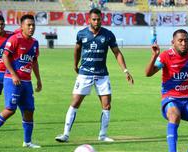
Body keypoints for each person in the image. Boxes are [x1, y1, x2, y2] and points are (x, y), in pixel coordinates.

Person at [55, 8, 134, 143]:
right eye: (94, 19)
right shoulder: (81, 34)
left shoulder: (108, 35)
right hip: (85, 74)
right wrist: (75, 64)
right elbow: (77, 50)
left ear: (101, 19)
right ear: (89, 19)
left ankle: (103, 135)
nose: (96, 22)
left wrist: (125, 70)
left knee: (107, 105)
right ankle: (65, 134)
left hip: (102, 75)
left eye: (98, 19)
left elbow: (117, 53)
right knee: (75, 103)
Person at [0, 14, 42, 148]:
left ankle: (27, 142)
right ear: (21, 26)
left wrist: (39, 79)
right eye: (28, 25)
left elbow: (34, 62)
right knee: (10, 109)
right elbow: (5, 57)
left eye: (33, 25)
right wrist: (13, 74)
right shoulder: (15, 39)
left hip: (27, 82)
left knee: (29, 110)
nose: (31, 27)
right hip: (12, 80)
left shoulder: (34, 42)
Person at [0, 15, 14, 96]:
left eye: (1, 24)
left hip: (9, 73)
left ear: (4, 24)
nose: (0, 26)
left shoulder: (11, 36)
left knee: (12, 98)